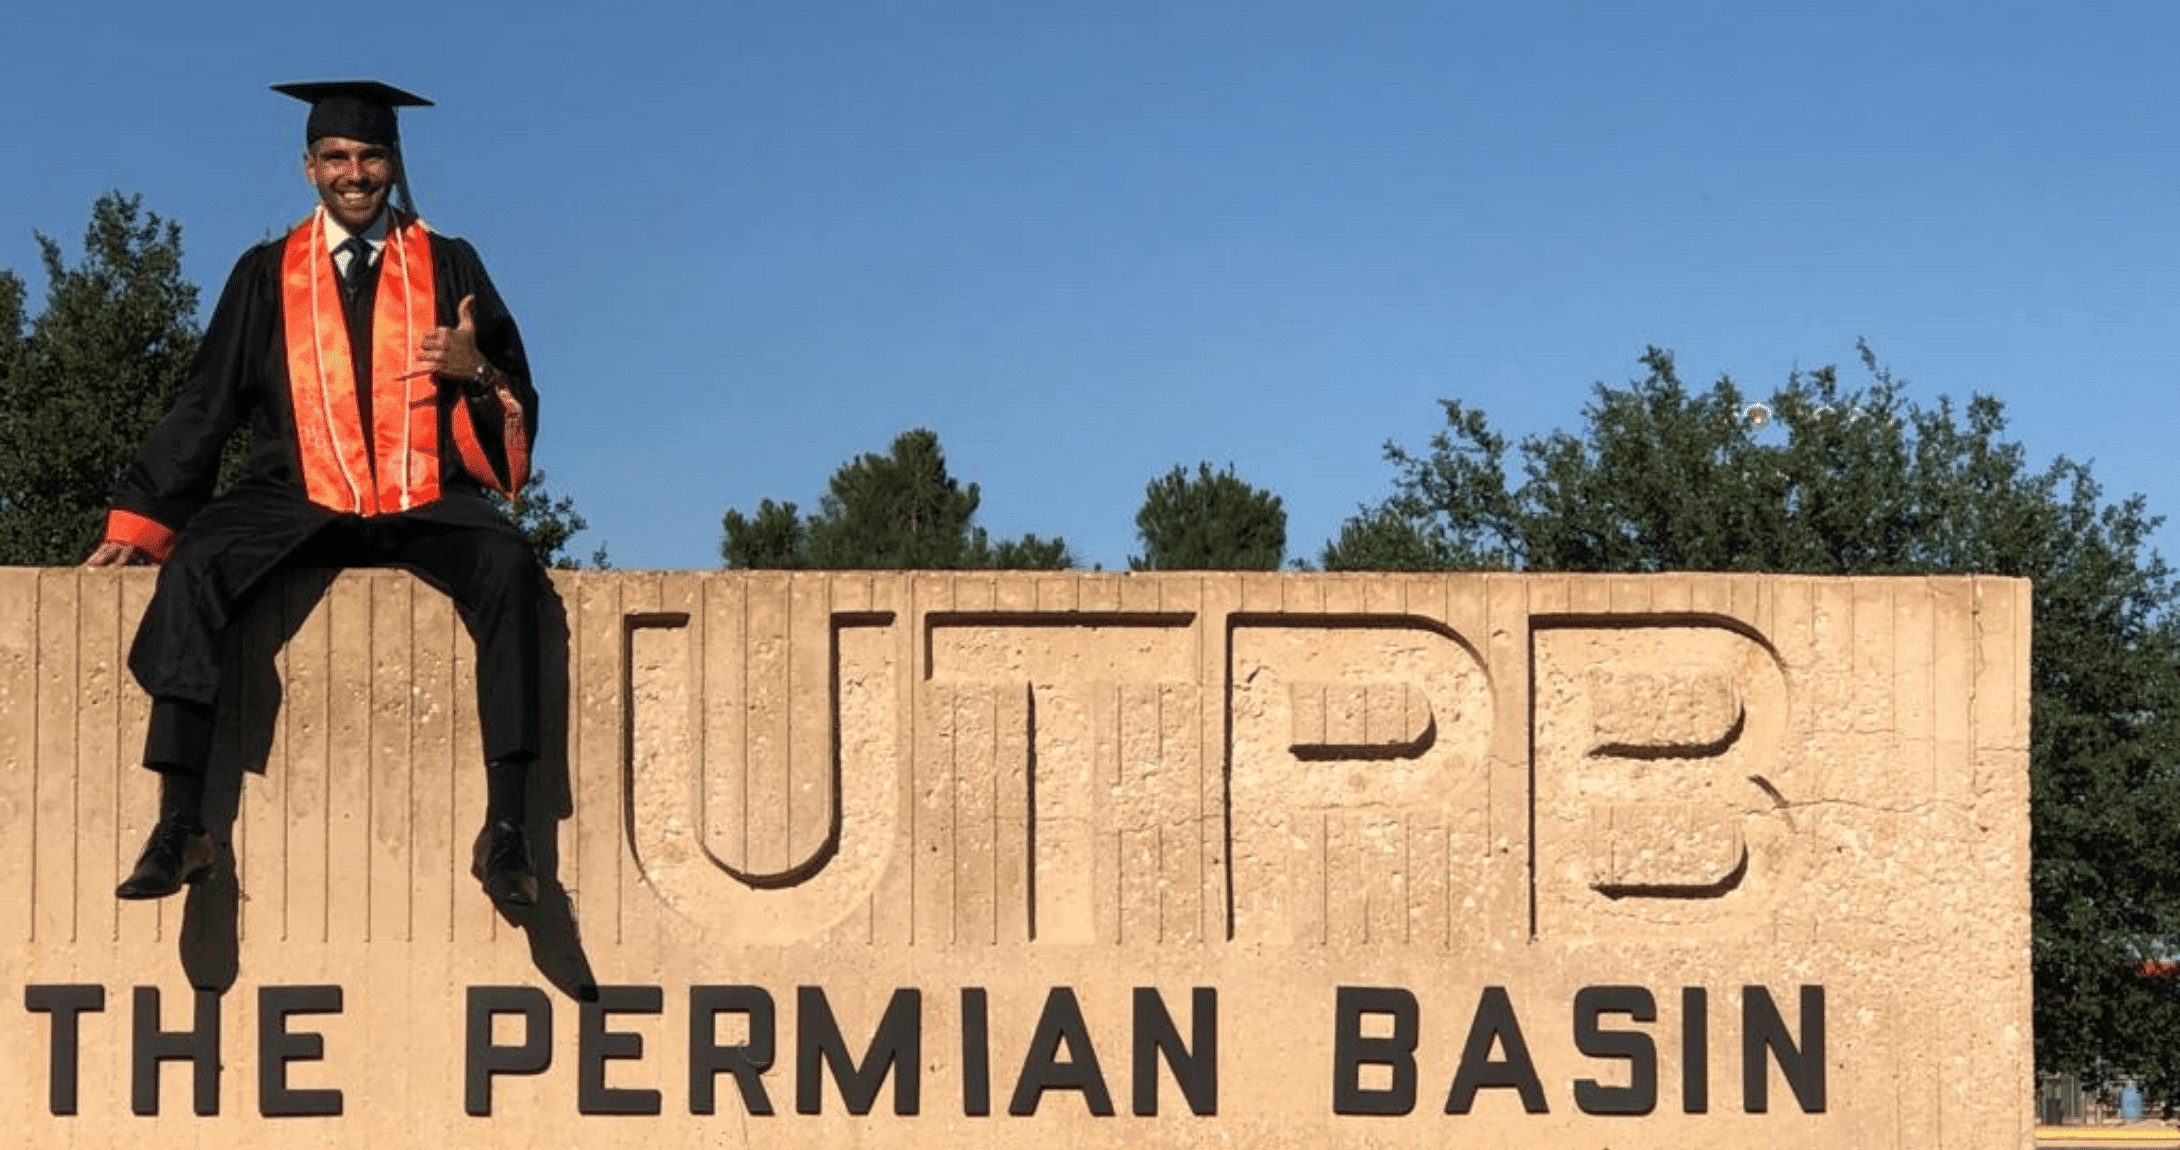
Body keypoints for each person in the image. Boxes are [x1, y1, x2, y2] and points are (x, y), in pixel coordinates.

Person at [86, 80, 547, 907]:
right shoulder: (267, 272)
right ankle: (180, 823)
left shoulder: (450, 264)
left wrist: (472, 371)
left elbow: (514, 394)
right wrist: (143, 516)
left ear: (393, 164)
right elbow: (206, 401)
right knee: (195, 565)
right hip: (296, 492)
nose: (355, 172)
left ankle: (506, 831)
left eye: (370, 155)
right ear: (308, 169)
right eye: (337, 156)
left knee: (510, 564)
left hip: (420, 496)